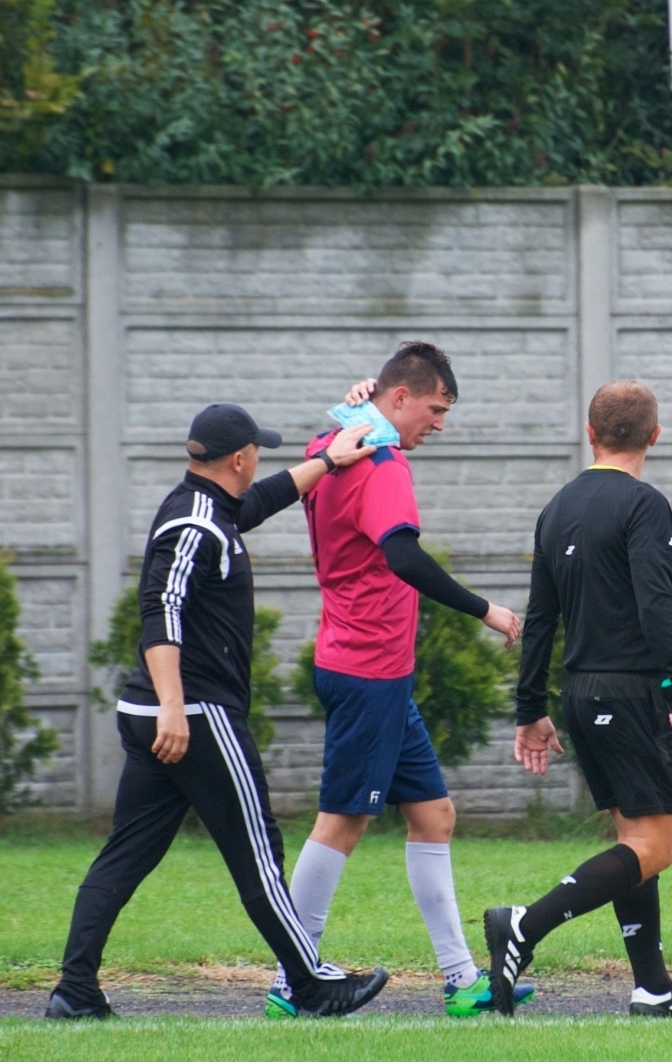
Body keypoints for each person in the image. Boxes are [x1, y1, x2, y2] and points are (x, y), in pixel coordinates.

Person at [48, 404, 388, 1020]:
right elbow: (161, 615)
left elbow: (255, 504)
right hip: (193, 716)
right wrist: (175, 710)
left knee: (127, 854)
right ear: (238, 458)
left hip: (162, 713)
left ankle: (75, 992)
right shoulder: (195, 526)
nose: (260, 457)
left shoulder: (207, 507)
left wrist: (328, 461)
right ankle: (309, 983)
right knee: (257, 850)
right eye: (258, 450)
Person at [268, 341, 535, 1019]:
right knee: (343, 822)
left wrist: (358, 400)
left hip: (373, 668)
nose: (439, 423)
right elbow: (403, 556)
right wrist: (488, 611)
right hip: (367, 671)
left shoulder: (338, 440)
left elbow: (334, 425)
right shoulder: (382, 464)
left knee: (433, 815)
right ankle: (290, 978)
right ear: (399, 398)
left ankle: (462, 980)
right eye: (435, 408)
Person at [484, 379, 672, 1018]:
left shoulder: (557, 507)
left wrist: (529, 707)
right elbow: (656, 605)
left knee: (631, 839)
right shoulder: (645, 505)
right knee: (654, 849)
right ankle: (523, 928)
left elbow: (540, 619)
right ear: (655, 435)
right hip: (632, 690)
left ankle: (651, 988)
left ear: (590, 434)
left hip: (581, 694)